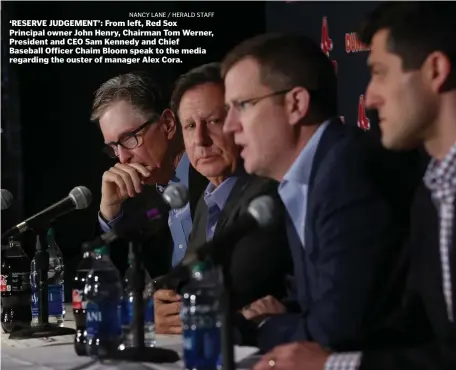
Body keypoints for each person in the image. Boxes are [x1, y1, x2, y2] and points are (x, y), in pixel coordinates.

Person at [251, 3, 456, 370]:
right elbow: (412, 332)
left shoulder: (351, 168)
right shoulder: (432, 191)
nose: (371, 97)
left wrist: (331, 364)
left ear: (435, 70)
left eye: (379, 73)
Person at [222, 32, 424, 353]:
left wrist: (261, 326)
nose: (228, 126)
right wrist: (275, 314)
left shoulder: (346, 170)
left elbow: (337, 330)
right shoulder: (308, 174)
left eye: (242, 105)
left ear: (295, 104)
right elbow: (318, 301)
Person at [154, 62, 293, 335]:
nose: (201, 139)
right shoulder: (207, 200)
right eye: (190, 126)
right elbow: (184, 280)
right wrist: (160, 304)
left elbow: (235, 288)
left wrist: (183, 307)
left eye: (214, 121)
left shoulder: (266, 195)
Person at [91, 72, 208, 277]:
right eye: (113, 148)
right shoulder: (138, 199)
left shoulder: (211, 175)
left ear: (168, 124)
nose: (122, 158)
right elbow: (115, 283)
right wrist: (110, 214)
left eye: (128, 138)